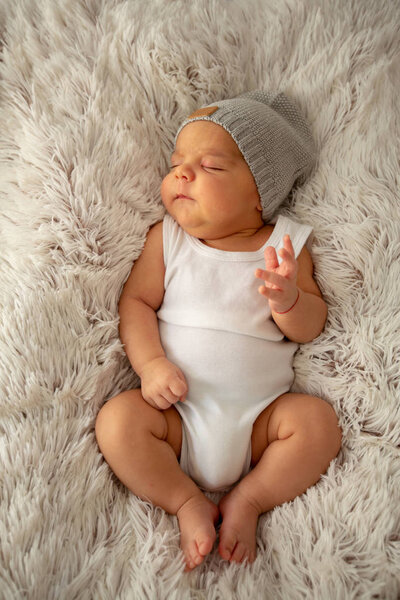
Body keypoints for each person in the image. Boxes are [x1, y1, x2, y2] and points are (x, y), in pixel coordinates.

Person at [95, 91, 342, 571]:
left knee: (318, 424)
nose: (183, 173)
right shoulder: (166, 239)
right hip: (175, 419)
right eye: (177, 163)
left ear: (259, 196)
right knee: (117, 423)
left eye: (209, 166)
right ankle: (186, 501)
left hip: (260, 425)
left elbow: (312, 325)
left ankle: (249, 498)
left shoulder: (284, 244)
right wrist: (150, 366)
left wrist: (290, 302)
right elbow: (137, 303)